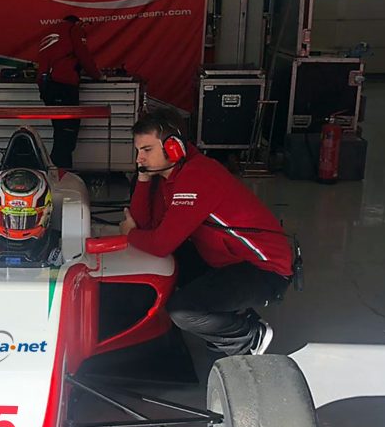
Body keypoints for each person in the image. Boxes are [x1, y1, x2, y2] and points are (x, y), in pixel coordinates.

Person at [119, 108, 293, 356]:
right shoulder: (169, 178)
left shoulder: (197, 175)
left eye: (147, 150)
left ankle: (249, 336)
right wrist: (144, 179)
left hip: (265, 270)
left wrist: (129, 234)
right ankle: (234, 313)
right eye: (138, 151)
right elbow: (145, 226)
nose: (140, 159)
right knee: (166, 257)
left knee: (182, 311)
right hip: (229, 259)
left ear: (174, 148)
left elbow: (158, 243)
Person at [36, 15, 102, 169]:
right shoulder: (74, 29)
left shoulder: (51, 31)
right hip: (63, 86)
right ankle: (58, 171)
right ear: (77, 22)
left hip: (46, 86)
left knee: (61, 131)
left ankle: (60, 170)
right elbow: (84, 56)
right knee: (67, 132)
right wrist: (98, 76)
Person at [0, 168, 62, 268]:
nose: (16, 228)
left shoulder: (56, 245)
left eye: (29, 219)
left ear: (47, 213)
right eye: (8, 219)